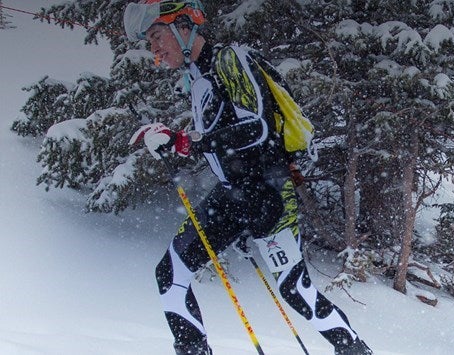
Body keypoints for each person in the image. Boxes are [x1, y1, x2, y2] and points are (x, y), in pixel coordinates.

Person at [122, 2, 371, 354]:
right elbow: (219, 142)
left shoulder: (229, 60)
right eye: (150, 42)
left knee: (295, 290)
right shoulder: (196, 79)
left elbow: (258, 128)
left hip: (268, 194)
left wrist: (185, 142)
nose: (155, 50)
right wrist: (177, 143)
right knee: (171, 273)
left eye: (157, 36)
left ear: (182, 26)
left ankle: (355, 350)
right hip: (232, 194)